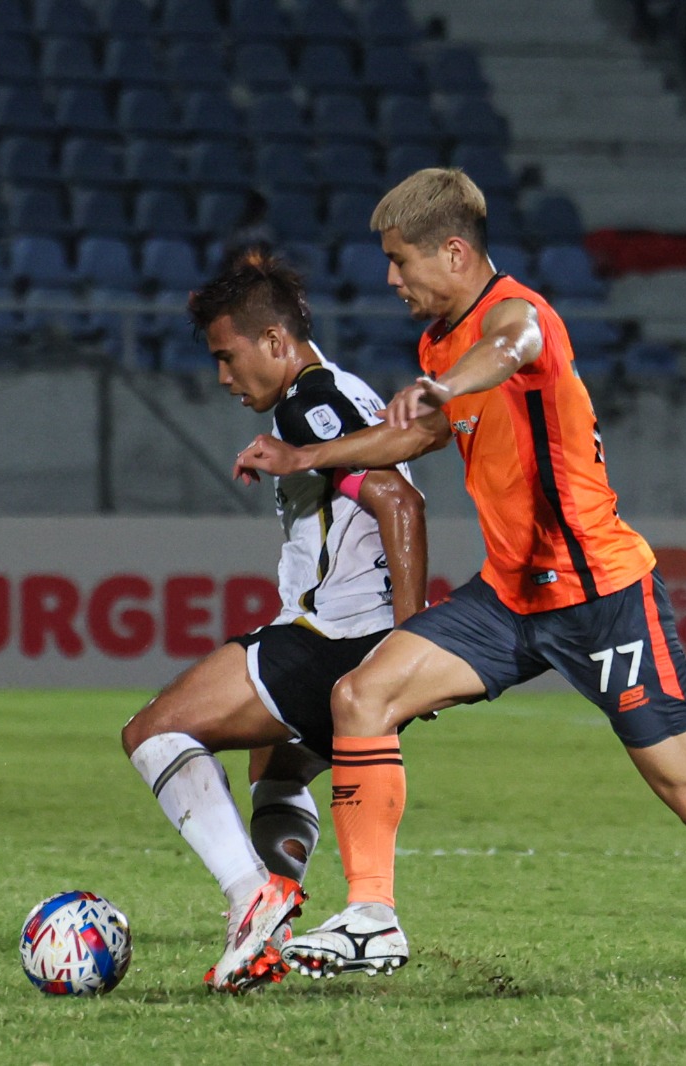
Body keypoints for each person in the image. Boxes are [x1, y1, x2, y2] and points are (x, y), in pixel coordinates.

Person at [233, 168, 686, 987]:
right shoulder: (436, 343)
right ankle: (372, 915)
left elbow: (509, 348)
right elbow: (413, 442)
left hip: (603, 598)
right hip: (510, 597)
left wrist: (449, 383)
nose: (391, 279)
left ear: (453, 251)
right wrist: (307, 455)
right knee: (359, 698)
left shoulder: (520, 317)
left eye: (402, 261)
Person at [121, 251, 427, 994]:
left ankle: (251, 897)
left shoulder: (307, 403)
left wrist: (415, 647)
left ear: (277, 343)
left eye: (229, 358)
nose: (224, 378)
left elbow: (398, 502)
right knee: (278, 769)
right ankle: (268, 933)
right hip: (363, 648)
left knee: (153, 733)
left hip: (337, 640)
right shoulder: (339, 394)